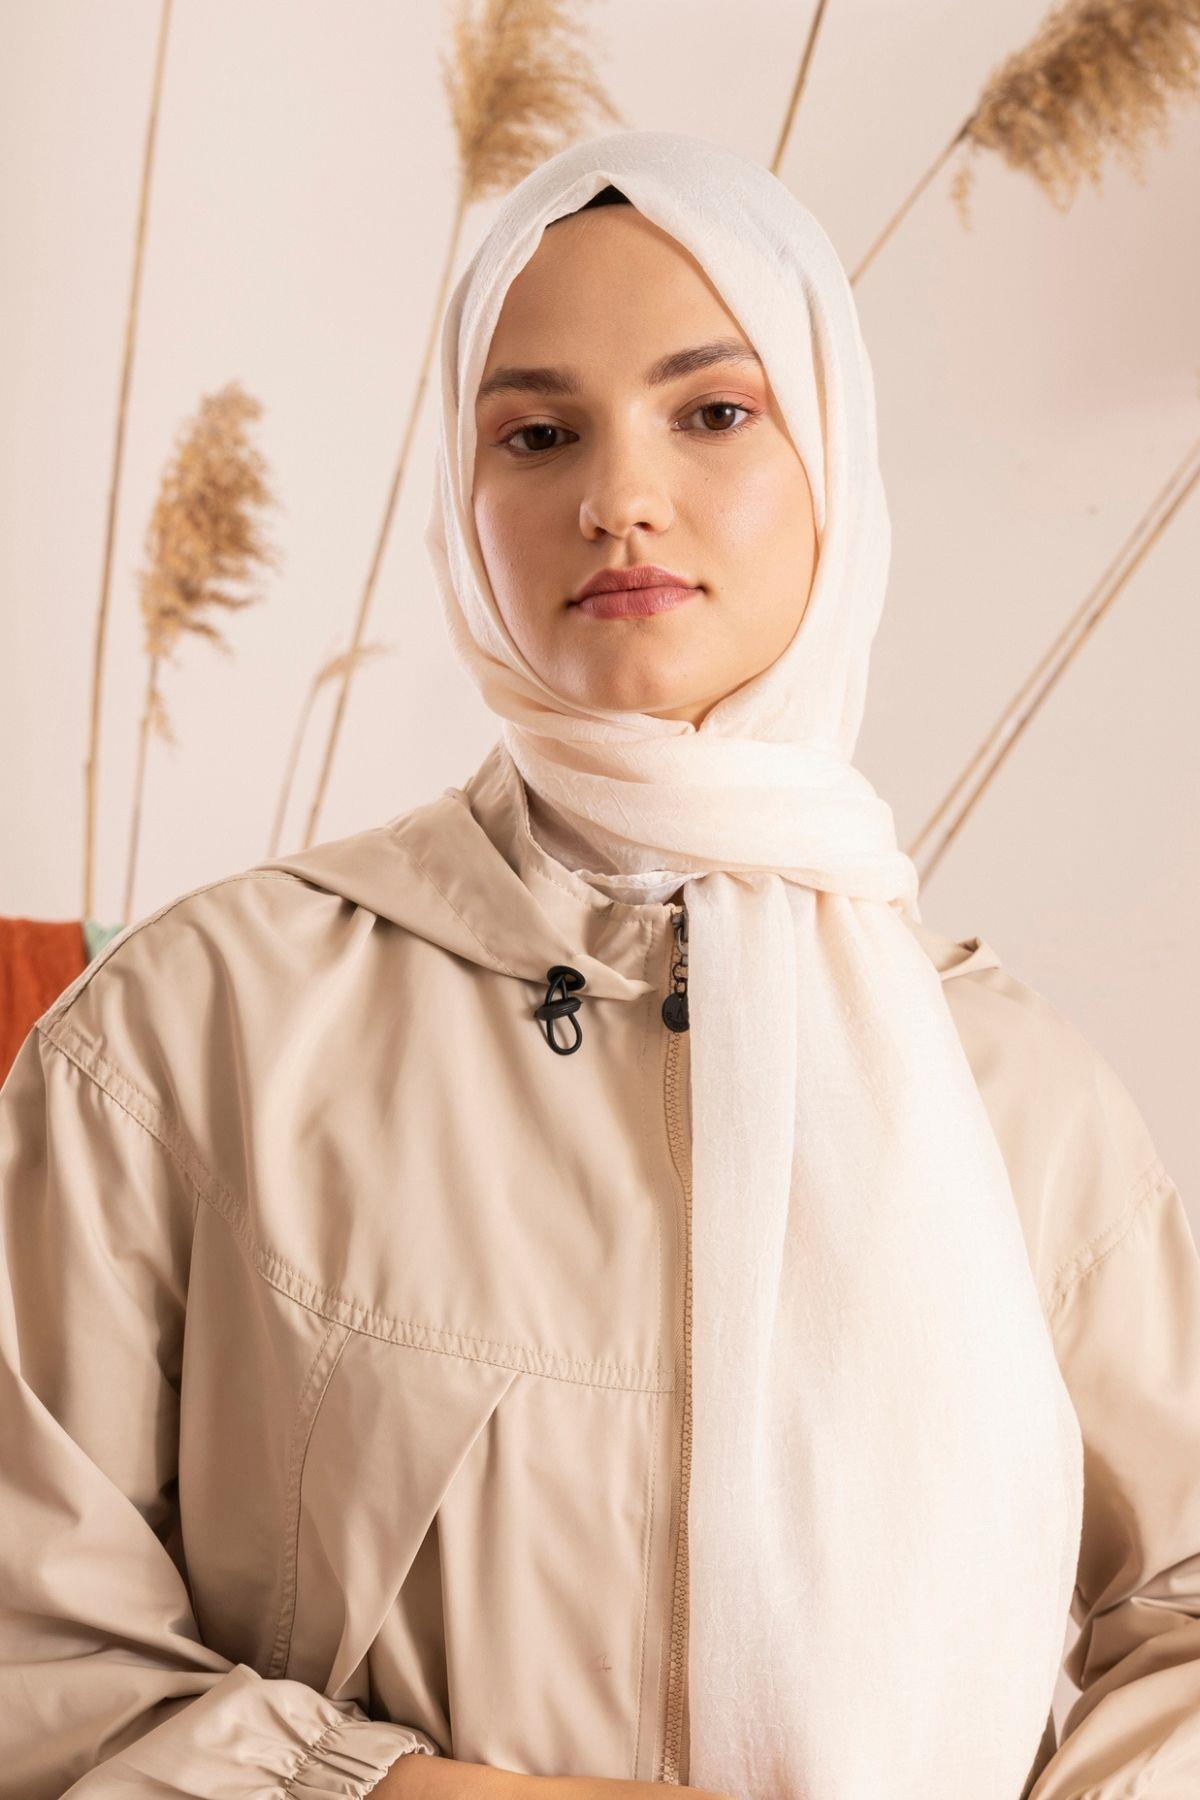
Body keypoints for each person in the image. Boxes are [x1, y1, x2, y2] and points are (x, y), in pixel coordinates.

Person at [1, 130, 1198, 1800]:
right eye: (538, 433)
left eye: (714, 412)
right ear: (463, 502)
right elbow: (35, 1659)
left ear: (836, 460)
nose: (618, 497)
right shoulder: (197, 1028)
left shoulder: (1017, 1099)